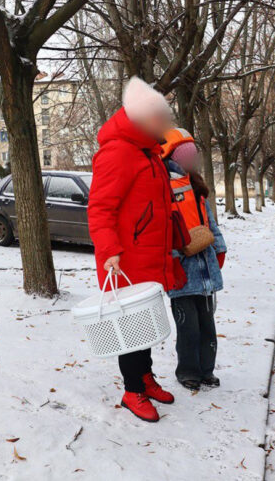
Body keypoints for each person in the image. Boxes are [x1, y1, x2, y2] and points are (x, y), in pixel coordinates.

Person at [88, 77, 189, 423]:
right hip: (125, 261)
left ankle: (145, 377)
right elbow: (100, 209)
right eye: (161, 118)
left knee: (146, 323)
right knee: (132, 328)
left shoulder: (147, 152)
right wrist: (110, 251)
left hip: (150, 256)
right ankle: (132, 390)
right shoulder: (118, 152)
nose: (166, 124)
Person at [160, 129, 227, 392]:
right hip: (181, 271)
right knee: (188, 327)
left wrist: (219, 250)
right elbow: (161, 232)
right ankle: (188, 371)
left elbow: (211, 223)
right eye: (186, 155)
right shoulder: (161, 187)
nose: (192, 160)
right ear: (173, 158)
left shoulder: (196, 186)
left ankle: (206, 370)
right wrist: (172, 260)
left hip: (205, 266)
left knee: (207, 325)